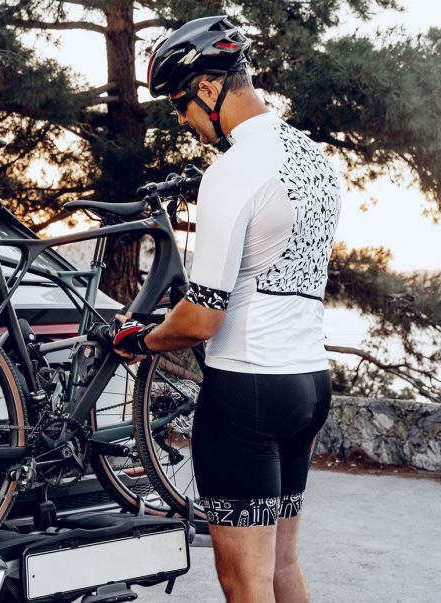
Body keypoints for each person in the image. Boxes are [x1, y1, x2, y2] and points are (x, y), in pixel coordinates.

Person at [112, 15, 341, 603]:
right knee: (283, 567)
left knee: (243, 581)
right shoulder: (314, 159)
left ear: (209, 89)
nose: (184, 121)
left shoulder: (234, 170)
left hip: (247, 394)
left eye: (180, 105)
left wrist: (139, 341)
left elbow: (201, 318)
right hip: (308, 384)